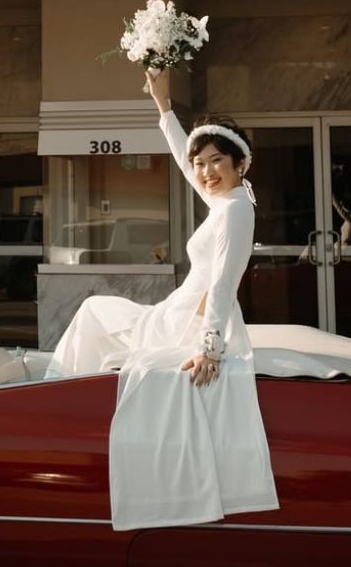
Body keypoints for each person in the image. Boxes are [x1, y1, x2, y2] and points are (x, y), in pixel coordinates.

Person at [46, 68, 278, 530]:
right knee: (97, 315)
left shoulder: (234, 211)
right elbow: (181, 158)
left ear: (238, 163)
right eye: (202, 163)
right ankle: (65, 401)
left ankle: (58, 408)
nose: (206, 172)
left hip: (190, 321)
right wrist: (163, 106)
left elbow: (225, 281)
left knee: (94, 312)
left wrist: (209, 347)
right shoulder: (228, 200)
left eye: (216, 161)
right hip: (177, 310)